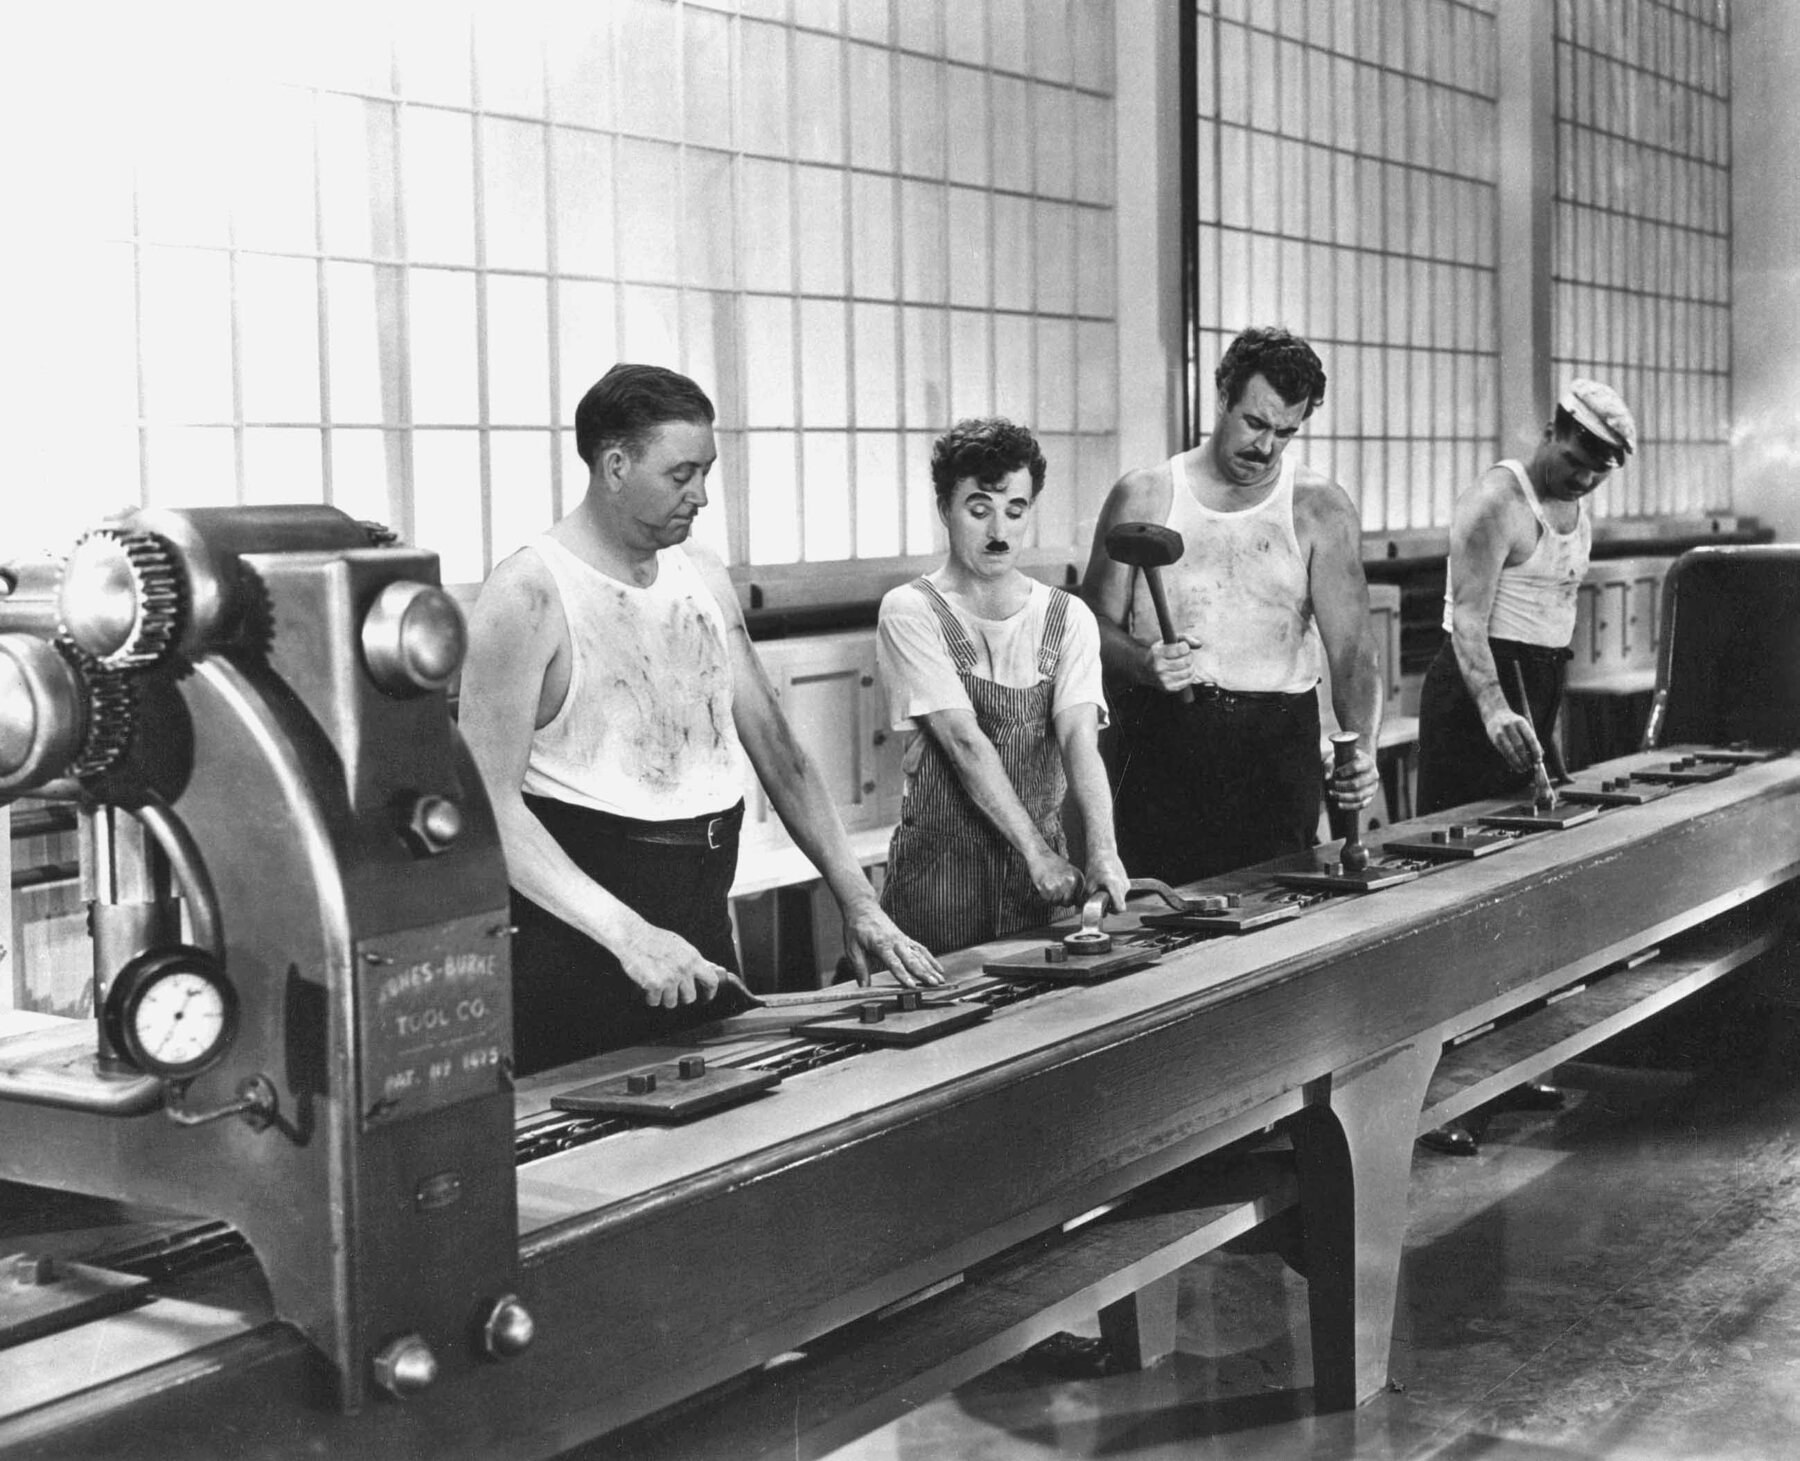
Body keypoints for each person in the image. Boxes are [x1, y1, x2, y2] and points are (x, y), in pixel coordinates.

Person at [460, 363, 942, 1075]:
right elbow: (487, 805)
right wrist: (626, 933)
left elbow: (781, 753)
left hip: (698, 901)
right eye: (682, 473)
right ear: (615, 465)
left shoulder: (702, 574)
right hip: (579, 917)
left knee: (721, 1127)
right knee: (598, 1147)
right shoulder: (529, 592)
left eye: (707, 471)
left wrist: (859, 898)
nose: (703, 496)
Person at [1414, 377, 1638, 1155]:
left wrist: (1542, 715)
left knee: (1526, 883)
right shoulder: (1496, 502)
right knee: (1459, 892)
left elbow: (1554, 621)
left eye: (1598, 471)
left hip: (1536, 681)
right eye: (1576, 459)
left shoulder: (1583, 511)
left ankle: (1509, 1065)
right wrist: (1492, 709)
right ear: (1553, 431)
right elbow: (1466, 620)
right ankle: (1440, 1094)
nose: (1582, 478)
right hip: (1477, 686)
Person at [1082, 326, 1381, 887]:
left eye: (1285, 432)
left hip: (1274, 751)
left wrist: (1361, 749)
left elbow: (1353, 654)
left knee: (1281, 914)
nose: (1266, 447)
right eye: (1255, 422)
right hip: (1162, 746)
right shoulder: (1145, 496)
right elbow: (1091, 626)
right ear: (1222, 397)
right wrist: (1144, 661)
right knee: (1162, 920)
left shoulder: (1319, 508)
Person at [875, 418, 1130, 954]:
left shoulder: (1068, 617)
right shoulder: (911, 611)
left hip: (1043, 879)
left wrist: (1103, 851)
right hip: (938, 879)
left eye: (1015, 510)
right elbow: (965, 744)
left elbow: (1081, 741)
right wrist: (1037, 856)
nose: (999, 530)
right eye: (979, 508)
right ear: (945, 508)